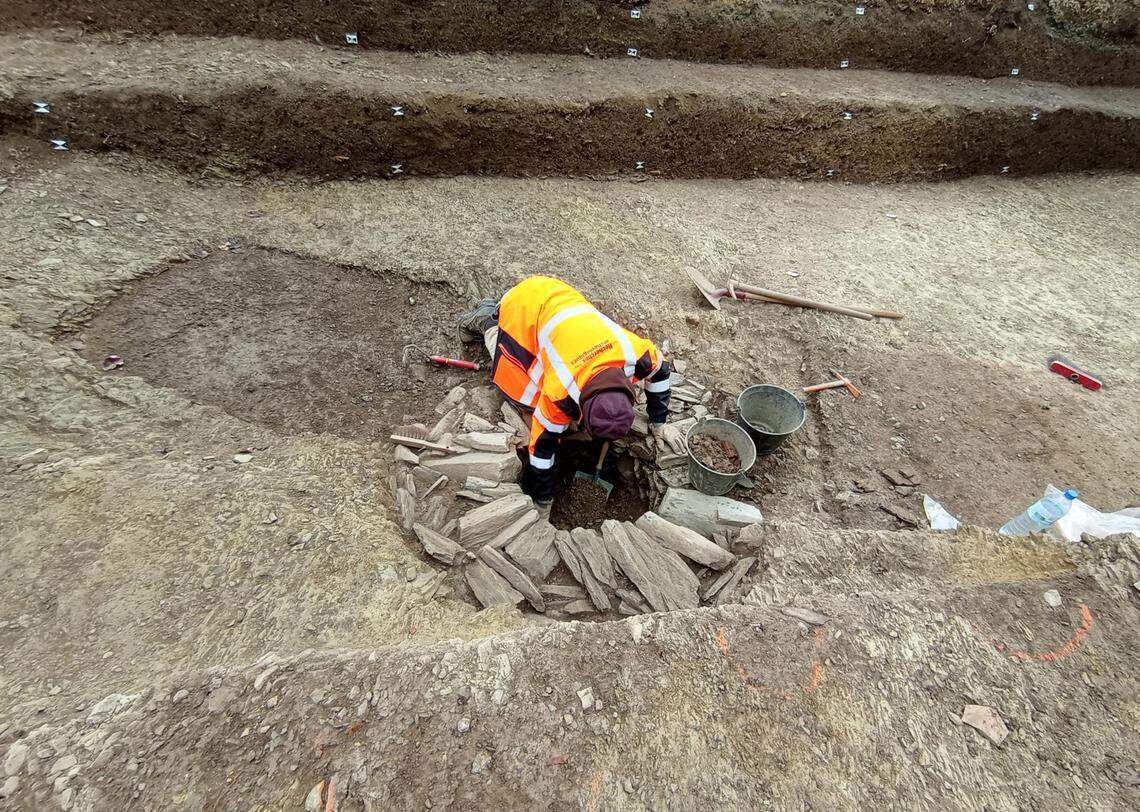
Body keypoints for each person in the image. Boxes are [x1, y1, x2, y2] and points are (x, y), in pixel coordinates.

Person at [458, 275, 685, 507]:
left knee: (559, 420)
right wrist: (543, 499)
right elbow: (542, 448)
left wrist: (659, 423)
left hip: (559, 299)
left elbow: (661, 372)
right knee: (518, 382)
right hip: (524, 308)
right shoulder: (559, 393)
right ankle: (488, 320)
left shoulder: (638, 355)